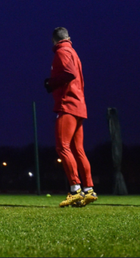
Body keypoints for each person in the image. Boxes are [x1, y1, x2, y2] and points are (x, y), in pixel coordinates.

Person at [43, 27, 97, 208]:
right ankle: (89, 190)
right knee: (78, 149)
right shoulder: (72, 51)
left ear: (53, 40)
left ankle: (75, 190)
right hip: (79, 104)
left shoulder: (62, 51)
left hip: (68, 104)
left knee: (62, 147)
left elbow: (69, 74)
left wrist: (51, 83)